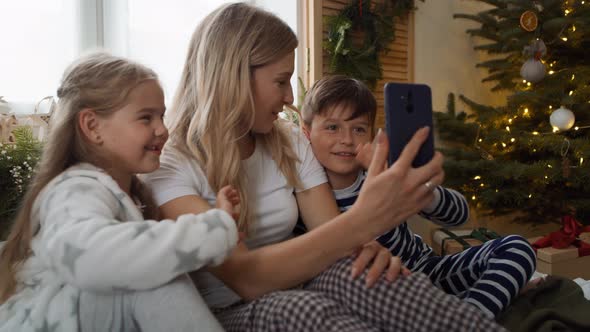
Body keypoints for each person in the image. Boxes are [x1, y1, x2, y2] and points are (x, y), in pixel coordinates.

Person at [143, 3, 506, 331]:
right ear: (235, 75)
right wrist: (363, 220)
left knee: (369, 276)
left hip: (304, 278)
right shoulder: (170, 164)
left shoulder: (287, 140)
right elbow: (247, 279)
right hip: (229, 311)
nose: (289, 97)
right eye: (280, 81)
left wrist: (365, 251)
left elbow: (332, 233)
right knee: (302, 310)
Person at [0, 52, 240, 332]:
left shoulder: (127, 194)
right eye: (145, 118)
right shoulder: (73, 189)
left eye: (161, 116)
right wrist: (209, 231)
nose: (163, 129)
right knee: (152, 276)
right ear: (92, 126)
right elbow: (91, 258)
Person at [298, 74, 537, 318]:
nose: (347, 140)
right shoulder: (305, 202)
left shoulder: (387, 175)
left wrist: (415, 189)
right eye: (332, 127)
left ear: (371, 134)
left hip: (427, 271)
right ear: (305, 133)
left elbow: (460, 214)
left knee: (518, 248)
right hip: (384, 294)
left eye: (358, 129)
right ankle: (460, 311)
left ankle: (466, 317)